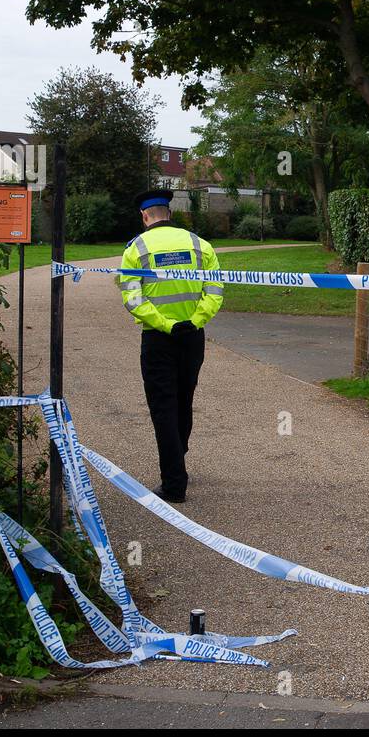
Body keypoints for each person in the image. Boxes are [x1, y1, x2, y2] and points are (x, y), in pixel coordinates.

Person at [117, 189, 224, 503]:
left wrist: (166, 324)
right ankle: (178, 456)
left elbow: (133, 298)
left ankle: (174, 484)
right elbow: (214, 290)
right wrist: (195, 320)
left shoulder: (135, 249)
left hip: (158, 338)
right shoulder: (199, 245)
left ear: (145, 216)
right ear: (169, 213)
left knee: (163, 407)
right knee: (184, 398)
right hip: (193, 336)